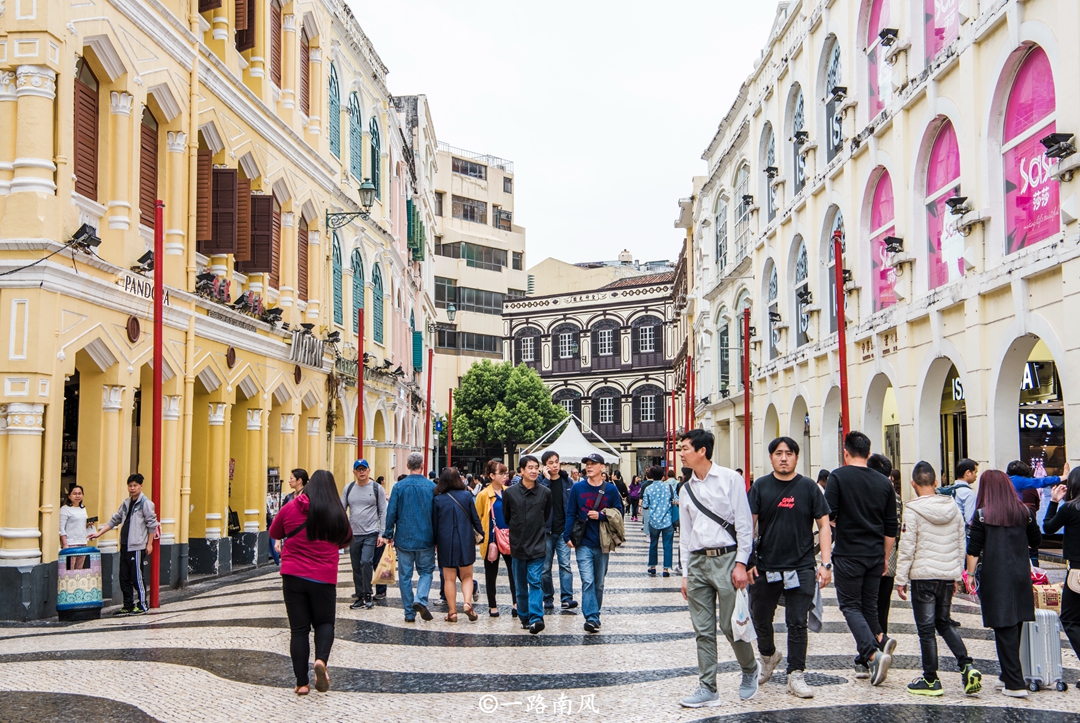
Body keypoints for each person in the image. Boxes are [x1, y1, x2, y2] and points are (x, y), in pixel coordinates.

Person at [677, 430, 758, 707]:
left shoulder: (730, 479)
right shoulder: (685, 489)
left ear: (702, 451)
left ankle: (750, 668)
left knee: (730, 624)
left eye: (685, 448)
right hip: (697, 562)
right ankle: (708, 687)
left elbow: (744, 525)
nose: (681, 453)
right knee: (703, 629)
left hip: (727, 559)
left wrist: (741, 563)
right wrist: (685, 574)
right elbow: (685, 535)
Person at [748, 437, 833, 699]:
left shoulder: (809, 488)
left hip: (802, 566)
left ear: (797, 457)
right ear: (771, 457)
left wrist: (826, 563)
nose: (783, 458)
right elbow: (748, 525)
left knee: (797, 622)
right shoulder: (760, 487)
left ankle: (796, 673)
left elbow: (824, 525)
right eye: (778, 453)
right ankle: (768, 655)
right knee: (759, 617)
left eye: (789, 453)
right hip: (765, 566)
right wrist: (747, 561)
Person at [894, 461, 982, 697]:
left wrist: (900, 579)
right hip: (946, 577)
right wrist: (956, 575)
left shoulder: (913, 510)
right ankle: (967, 665)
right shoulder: (952, 507)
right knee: (943, 623)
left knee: (926, 630)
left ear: (913, 484)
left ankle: (931, 679)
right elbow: (960, 544)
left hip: (923, 578)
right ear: (935, 482)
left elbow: (907, 547)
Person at [268, 470, 352, 695]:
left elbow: (274, 531)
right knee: (324, 623)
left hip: (293, 575)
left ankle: (302, 683)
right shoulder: (336, 512)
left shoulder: (291, 507)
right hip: (324, 577)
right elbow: (346, 539)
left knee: (299, 630)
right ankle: (320, 660)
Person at [825, 431, 898, 686]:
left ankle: (872, 654)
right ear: (868, 453)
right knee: (868, 606)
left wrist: (841, 521)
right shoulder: (884, 483)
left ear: (845, 452)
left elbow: (828, 514)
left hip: (849, 553)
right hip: (875, 554)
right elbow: (891, 527)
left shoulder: (838, 477)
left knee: (850, 606)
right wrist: (885, 557)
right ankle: (880, 638)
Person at [965, 469, 1042, 698]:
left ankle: (1015, 683)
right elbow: (1036, 540)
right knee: (1015, 624)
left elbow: (973, 549)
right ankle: (1006, 675)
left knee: (1003, 626)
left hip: (995, 575)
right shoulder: (1024, 513)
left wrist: (970, 575)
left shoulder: (983, 515)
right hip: (1020, 574)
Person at [565, 452, 623, 634]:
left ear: (602, 467)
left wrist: (601, 516)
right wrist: (566, 535)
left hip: (603, 542)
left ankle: (595, 613)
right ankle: (591, 617)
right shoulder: (577, 488)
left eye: (593, 463)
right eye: (587, 464)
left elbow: (619, 513)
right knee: (588, 581)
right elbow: (570, 512)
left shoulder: (611, 490)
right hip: (583, 542)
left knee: (599, 583)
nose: (589, 467)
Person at [89, 474, 158, 616]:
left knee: (137, 577)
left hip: (137, 546)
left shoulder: (145, 503)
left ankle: (142, 604)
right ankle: (128, 605)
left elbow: (152, 524)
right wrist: (99, 533)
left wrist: (149, 544)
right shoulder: (126, 503)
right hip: (125, 545)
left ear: (141, 486)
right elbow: (115, 519)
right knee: (124, 577)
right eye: (130, 486)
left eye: (135, 485)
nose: (132, 488)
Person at [383, 452, 437, 623]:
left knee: (405, 576)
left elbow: (391, 512)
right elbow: (436, 514)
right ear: (422, 466)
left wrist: (389, 534)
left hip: (404, 538)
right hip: (426, 537)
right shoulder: (431, 487)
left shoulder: (398, 487)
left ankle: (409, 613)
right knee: (426, 572)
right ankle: (420, 599)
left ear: (407, 466)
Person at [504, 455, 552, 634]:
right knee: (520, 585)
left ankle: (536, 618)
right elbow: (507, 517)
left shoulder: (545, 493)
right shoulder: (510, 493)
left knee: (535, 581)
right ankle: (524, 616)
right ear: (522, 470)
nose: (534, 471)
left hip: (538, 544)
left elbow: (546, 515)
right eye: (530, 467)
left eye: (536, 467)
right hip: (518, 545)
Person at [432, 467, 483, 623]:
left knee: (449, 578)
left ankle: (452, 612)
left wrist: (435, 542)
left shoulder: (438, 499)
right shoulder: (467, 496)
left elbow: (435, 523)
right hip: (465, 538)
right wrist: (481, 534)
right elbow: (475, 518)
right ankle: (467, 603)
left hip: (445, 540)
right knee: (467, 576)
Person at [1043, 470, 1080, 663]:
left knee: (1069, 619)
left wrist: (1054, 501)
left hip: (1077, 572)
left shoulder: (1070, 509)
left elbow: (1048, 528)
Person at [341, 459, 387, 610]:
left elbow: (383, 511)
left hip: (371, 533)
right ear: (354, 472)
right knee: (356, 566)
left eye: (364, 469)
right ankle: (360, 596)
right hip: (354, 534)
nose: (361, 472)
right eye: (358, 469)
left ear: (368, 470)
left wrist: (382, 533)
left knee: (366, 562)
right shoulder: (348, 489)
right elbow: (341, 510)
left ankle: (368, 594)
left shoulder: (376, 488)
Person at [866, 453, 902, 637]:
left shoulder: (864, 493)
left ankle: (871, 640)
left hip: (867, 556)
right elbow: (896, 529)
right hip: (889, 557)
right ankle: (882, 637)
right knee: (883, 603)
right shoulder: (895, 496)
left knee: (867, 603)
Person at [476, 459, 518, 617]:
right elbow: (477, 517)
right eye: (501, 473)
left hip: (509, 538)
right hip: (491, 539)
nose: (505, 476)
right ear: (492, 476)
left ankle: (516, 604)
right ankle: (492, 605)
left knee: (514, 572)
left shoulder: (509, 492)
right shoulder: (484, 495)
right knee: (491, 573)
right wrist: (480, 537)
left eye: (505, 473)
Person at [539, 451, 577, 611]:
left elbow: (572, 506)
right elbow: (539, 500)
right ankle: (547, 597)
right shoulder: (540, 482)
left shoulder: (567, 481)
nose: (555, 465)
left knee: (565, 565)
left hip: (563, 531)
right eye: (551, 463)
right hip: (546, 531)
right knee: (545, 568)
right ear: (545, 466)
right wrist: (546, 480)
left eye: (556, 461)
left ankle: (567, 598)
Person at [642, 470, 678, 576]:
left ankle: (652, 566)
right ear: (663, 476)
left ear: (652, 476)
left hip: (653, 521)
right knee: (668, 545)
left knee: (653, 544)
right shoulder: (669, 487)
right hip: (668, 520)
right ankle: (666, 569)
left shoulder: (648, 488)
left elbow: (645, 505)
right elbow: (676, 500)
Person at [276, 469, 309, 558]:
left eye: (291, 478)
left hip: (305, 539)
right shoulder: (289, 497)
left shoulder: (309, 496)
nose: (289, 481)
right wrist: (277, 540)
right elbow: (281, 518)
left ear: (299, 480)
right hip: (290, 538)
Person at [946, 459, 979, 526]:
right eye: (975, 472)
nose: (976, 476)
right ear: (968, 473)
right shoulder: (969, 493)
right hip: (961, 529)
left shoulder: (950, 489)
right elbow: (970, 520)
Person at [59, 484, 90, 549]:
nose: (77, 496)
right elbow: (61, 528)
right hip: (70, 543)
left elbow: (80, 525)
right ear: (69, 496)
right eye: (74, 494)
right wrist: (65, 544)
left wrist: (88, 524)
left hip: (83, 542)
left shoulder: (83, 508)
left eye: (79, 493)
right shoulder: (65, 509)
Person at [640, 465, 664, 533]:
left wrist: (640, 506)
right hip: (664, 517)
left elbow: (644, 502)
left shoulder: (646, 487)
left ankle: (648, 534)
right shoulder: (667, 487)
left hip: (650, 511)